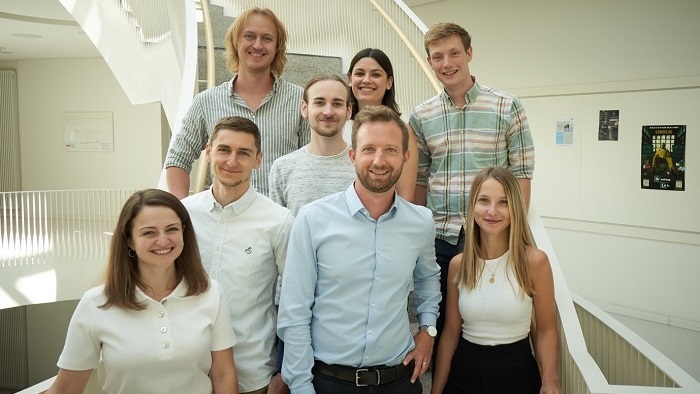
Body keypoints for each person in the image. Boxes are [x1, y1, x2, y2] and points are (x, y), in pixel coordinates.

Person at [278, 106, 441, 394]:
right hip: (328, 383)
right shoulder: (313, 219)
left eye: (390, 150)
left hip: (398, 382)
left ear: (405, 158)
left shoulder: (421, 222)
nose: (379, 161)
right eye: (369, 149)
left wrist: (427, 330)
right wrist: (301, 386)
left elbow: (428, 278)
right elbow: (295, 312)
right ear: (353, 156)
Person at [409, 22, 535, 342]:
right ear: (429, 61)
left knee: (479, 322)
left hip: (489, 234)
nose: (447, 63)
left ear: (469, 53)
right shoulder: (421, 116)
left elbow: (521, 173)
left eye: (454, 53)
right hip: (438, 235)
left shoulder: (507, 106)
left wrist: (516, 233)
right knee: (436, 321)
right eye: (437, 57)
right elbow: (420, 178)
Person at [46, 189, 237, 394]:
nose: (163, 241)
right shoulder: (95, 304)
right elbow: (65, 389)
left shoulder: (211, 293)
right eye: (149, 232)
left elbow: (223, 374)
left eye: (172, 229)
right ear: (130, 240)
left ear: (184, 233)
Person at [182, 116, 294, 394]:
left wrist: (285, 372)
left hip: (252, 375)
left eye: (243, 153)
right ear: (208, 152)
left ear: (258, 160)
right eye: (224, 150)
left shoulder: (279, 222)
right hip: (184, 373)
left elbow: (298, 300)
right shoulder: (181, 215)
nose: (232, 161)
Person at [430, 167, 560, 394]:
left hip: (517, 373)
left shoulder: (535, 262)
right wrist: (436, 390)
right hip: (463, 374)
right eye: (484, 200)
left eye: (503, 202)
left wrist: (550, 380)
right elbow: (450, 333)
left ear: (515, 208)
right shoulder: (459, 265)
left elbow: (547, 330)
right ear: (473, 206)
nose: (492, 211)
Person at [164, 7, 310, 199]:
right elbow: (177, 159)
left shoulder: (300, 100)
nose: (257, 45)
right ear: (235, 41)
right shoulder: (206, 102)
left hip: (280, 221)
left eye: (267, 38)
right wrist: (182, 214)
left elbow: (313, 162)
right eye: (249, 36)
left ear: (277, 47)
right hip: (225, 220)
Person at [268, 74, 355, 216]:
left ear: (349, 111)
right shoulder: (282, 168)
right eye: (319, 103)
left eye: (337, 103)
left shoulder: (364, 165)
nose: (328, 112)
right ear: (304, 109)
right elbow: (278, 232)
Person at [347, 48, 418, 201]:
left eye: (376, 74)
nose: (366, 80)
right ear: (350, 78)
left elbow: (405, 198)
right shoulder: (339, 126)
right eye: (359, 73)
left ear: (389, 82)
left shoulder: (402, 130)